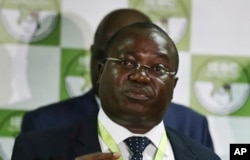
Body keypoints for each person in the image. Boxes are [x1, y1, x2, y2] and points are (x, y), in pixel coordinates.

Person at [11, 22, 220, 160]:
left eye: (157, 68)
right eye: (127, 62)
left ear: (173, 87)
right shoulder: (37, 150)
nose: (140, 76)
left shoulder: (205, 158)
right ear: (101, 72)